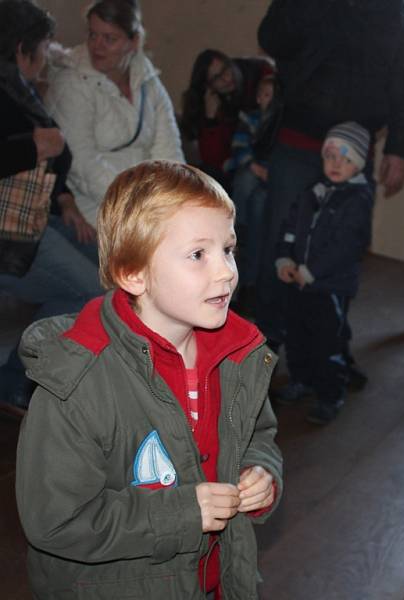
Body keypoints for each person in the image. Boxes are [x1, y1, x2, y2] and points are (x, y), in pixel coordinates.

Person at [15, 160, 283, 598]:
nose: (226, 272)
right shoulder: (79, 382)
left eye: (228, 249)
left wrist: (261, 472)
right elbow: (55, 520)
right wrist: (181, 514)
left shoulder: (238, 354)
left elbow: (259, 433)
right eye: (199, 254)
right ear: (133, 273)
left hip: (217, 579)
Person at [255, 0, 404, 351]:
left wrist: (400, 148)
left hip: (355, 151)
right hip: (298, 139)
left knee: (341, 252)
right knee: (281, 244)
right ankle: (266, 346)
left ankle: (328, 351)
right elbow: (272, 38)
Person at [0, 0, 102, 413]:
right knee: (93, 291)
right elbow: (36, 148)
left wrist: (64, 198)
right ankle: (16, 376)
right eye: (42, 49)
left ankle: (18, 375)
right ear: (22, 48)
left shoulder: (17, 86)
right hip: (13, 232)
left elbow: (56, 158)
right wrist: (32, 146)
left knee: (103, 270)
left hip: (36, 219)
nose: (45, 58)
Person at [45, 0, 184, 236]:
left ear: (133, 42)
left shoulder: (148, 80)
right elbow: (81, 163)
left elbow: (169, 151)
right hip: (97, 208)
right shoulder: (71, 82)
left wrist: (167, 200)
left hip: (150, 205)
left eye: (110, 38)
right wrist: (136, 204)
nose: (97, 46)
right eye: (93, 35)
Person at [274, 122, 373, 425]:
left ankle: (331, 393)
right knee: (297, 334)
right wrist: (284, 258)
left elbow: (344, 246)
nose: (335, 165)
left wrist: (311, 271)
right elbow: (291, 227)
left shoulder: (357, 200)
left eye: (345, 159)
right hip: (300, 282)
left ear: (358, 165)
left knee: (326, 341)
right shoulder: (312, 191)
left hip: (330, 285)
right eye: (330, 157)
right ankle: (301, 379)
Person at [179, 48, 275, 191]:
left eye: (226, 69)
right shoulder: (212, 104)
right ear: (208, 86)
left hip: (268, 154)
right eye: (217, 78)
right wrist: (211, 120)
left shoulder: (257, 73)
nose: (227, 78)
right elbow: (213, 162)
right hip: (236, 164)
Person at [227, 74, 277, 310]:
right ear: (258, 98)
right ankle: (237, 224)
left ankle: (250, 286)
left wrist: (267, 171)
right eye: (265, 95)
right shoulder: (250, 118)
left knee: (260, 202)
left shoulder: (280, 124)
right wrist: (252, 165)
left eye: (273, 97)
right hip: (247, 168)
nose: (269, 100)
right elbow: (239, 145)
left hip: (268, 180)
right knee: (246, 179)